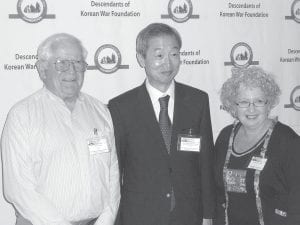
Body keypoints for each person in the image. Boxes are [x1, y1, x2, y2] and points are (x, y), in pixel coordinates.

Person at [1, 33, 120, 225]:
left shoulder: (101, 111)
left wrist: (105, 221)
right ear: (42, 69)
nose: (72, 71)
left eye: (78, 63)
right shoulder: (22, 115)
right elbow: (18, 188)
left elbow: (112, 174)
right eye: (62, 63)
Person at [108, 23, 215, 225]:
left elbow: (205, 162)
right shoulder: (121, 107)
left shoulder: (197, 101)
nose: (167, 63)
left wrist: (208, 214)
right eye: (158, 55)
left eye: (174, 54)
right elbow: (116, 170)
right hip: (139, 215)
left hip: (188, 214)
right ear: (141, 58)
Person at [214, 66, 300, 225]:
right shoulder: (225, 137)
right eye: (244, 101)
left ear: (269, 104)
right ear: (234, 105)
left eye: (259, 101)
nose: (251, 109)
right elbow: (216, 192)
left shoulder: (288, 142)